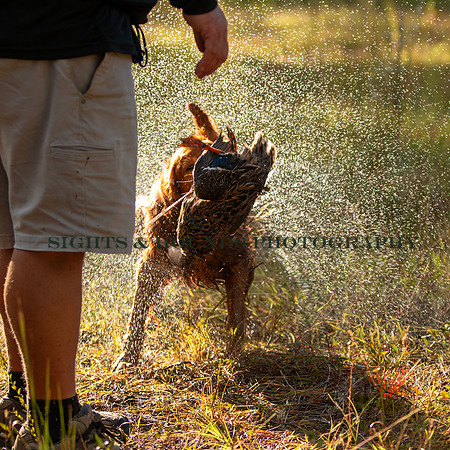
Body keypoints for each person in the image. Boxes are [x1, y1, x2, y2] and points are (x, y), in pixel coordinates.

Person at [0, 0, 228, 448]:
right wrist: (200, 4)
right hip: (61, 40)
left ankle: (24, 399)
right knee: (53, 242)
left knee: (12, 230)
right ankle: (54, 428)